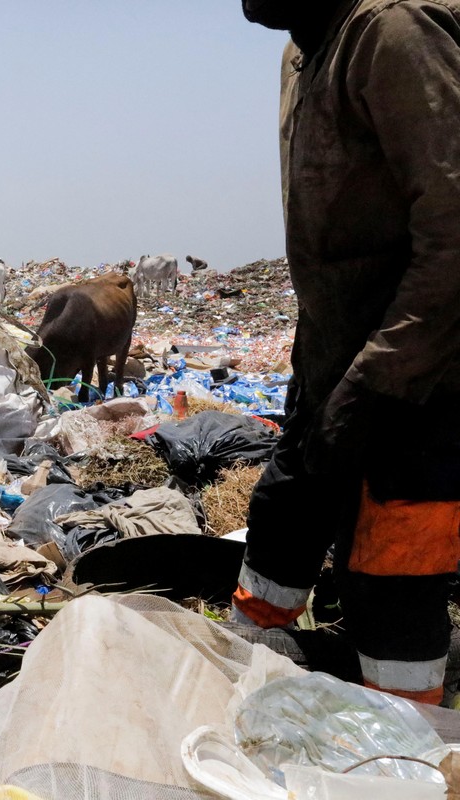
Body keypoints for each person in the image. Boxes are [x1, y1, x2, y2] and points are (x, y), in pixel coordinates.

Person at [232, 0, 460, 705]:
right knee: (280, 525)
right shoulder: (303, 51)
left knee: (394, 582)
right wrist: (321, 383)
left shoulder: (392, 32)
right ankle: (233, 680)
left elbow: (453, 233)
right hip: (330, 371)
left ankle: (407, 748)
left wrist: (374, 382)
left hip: (420, 381)